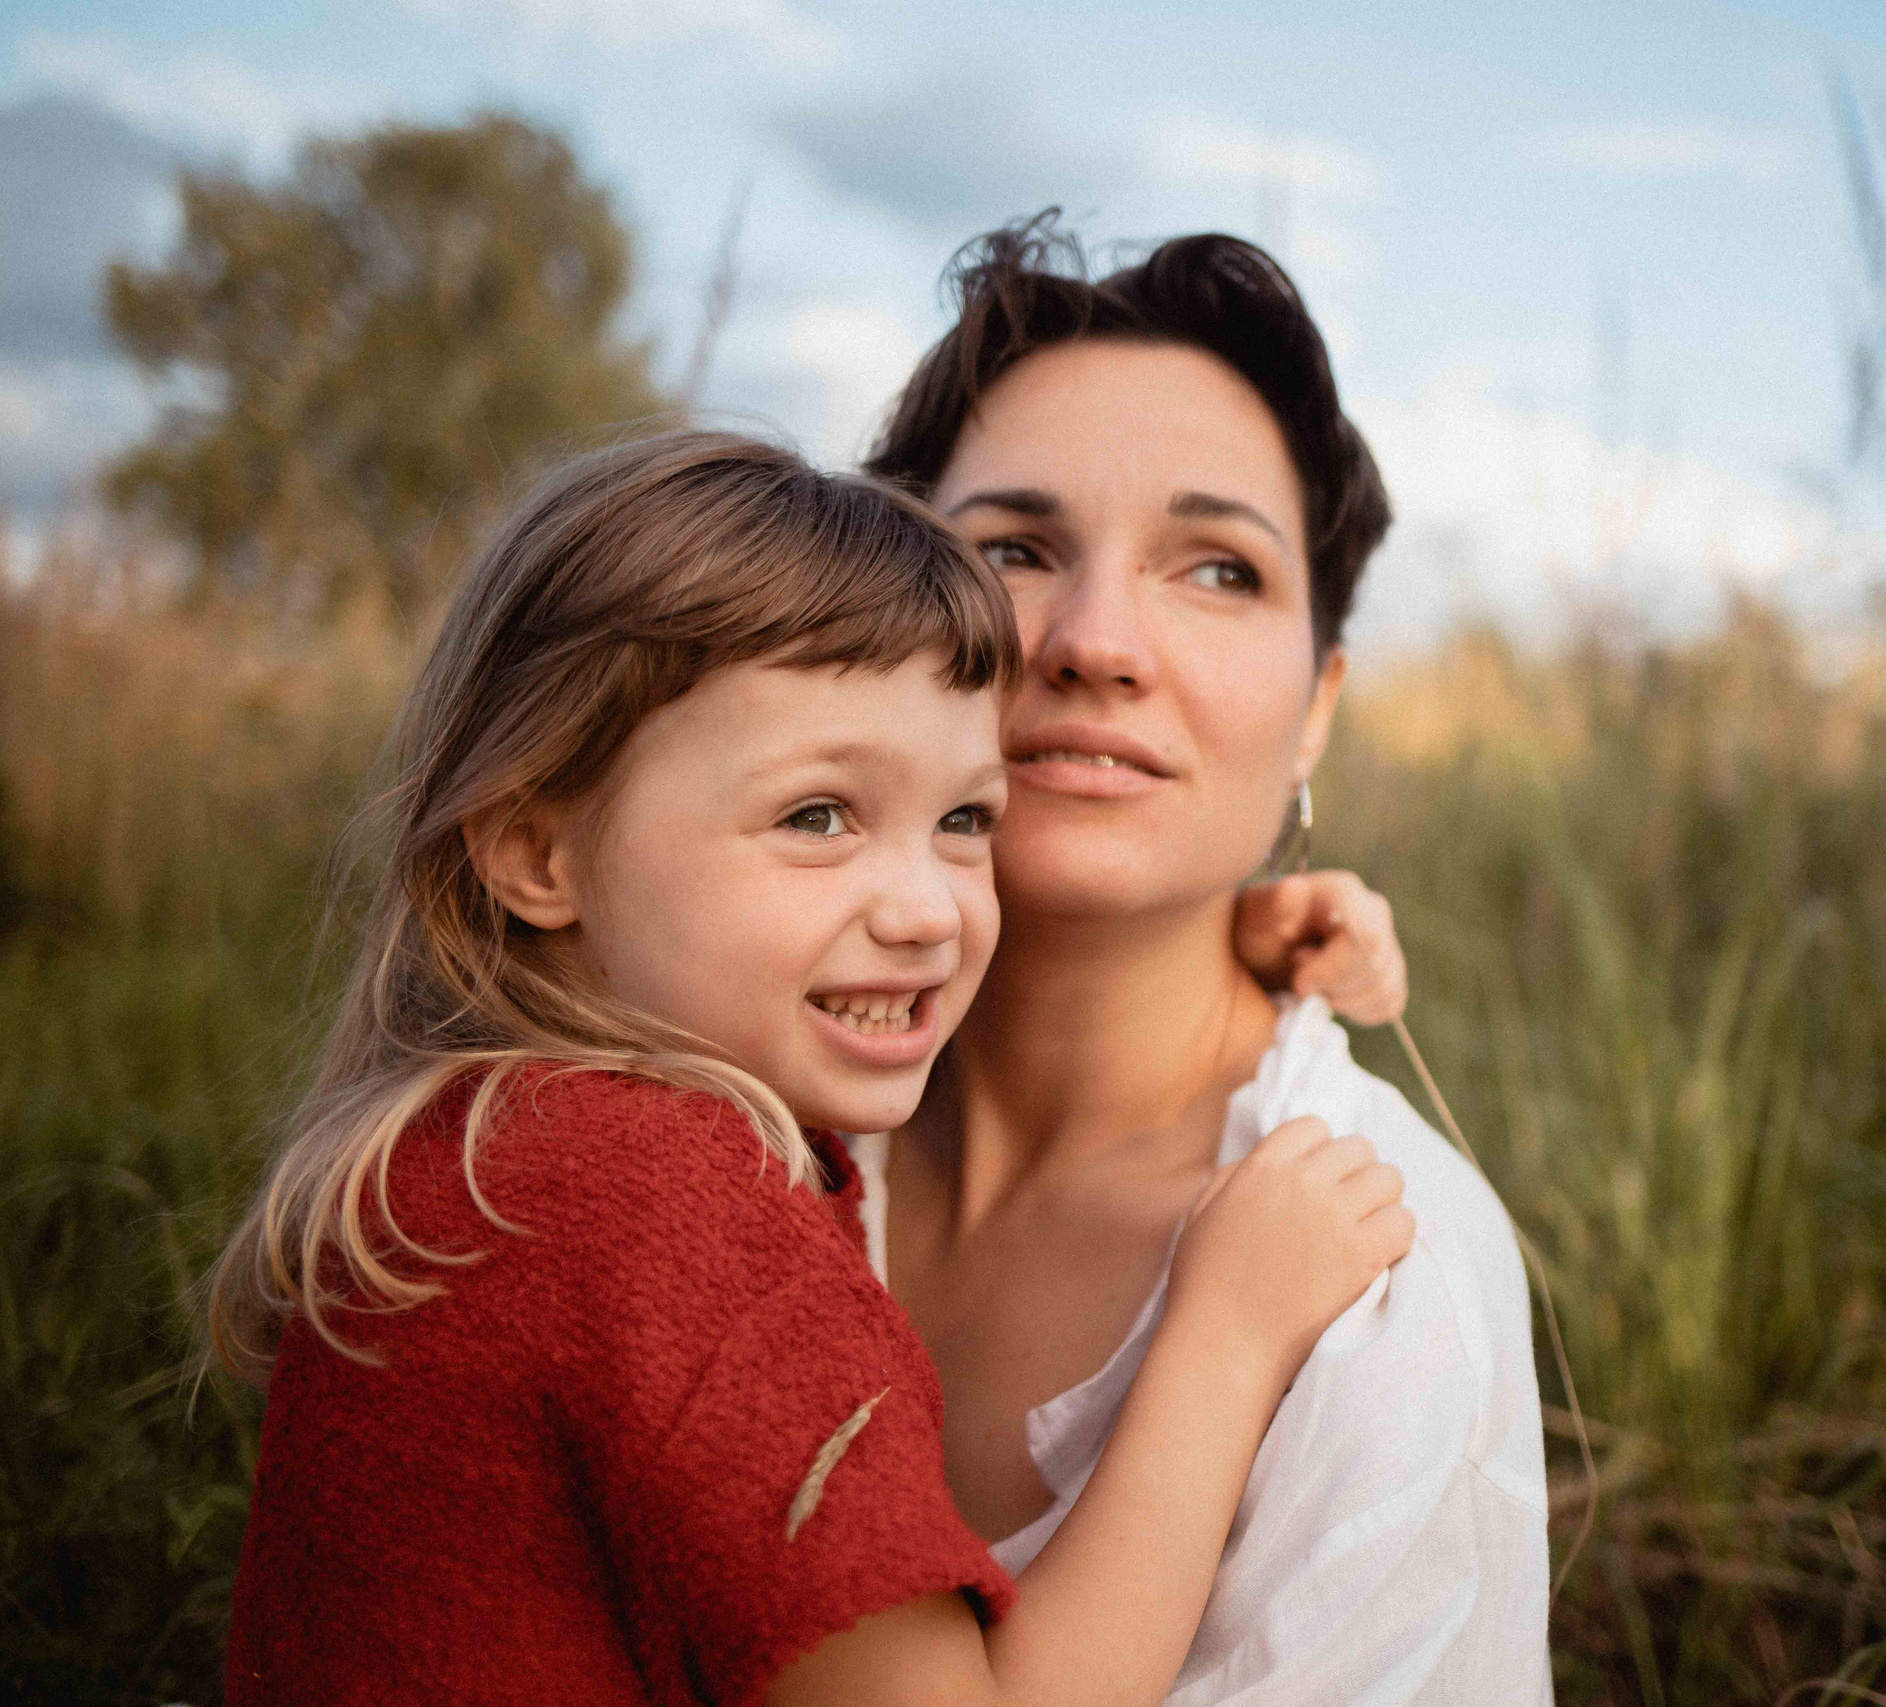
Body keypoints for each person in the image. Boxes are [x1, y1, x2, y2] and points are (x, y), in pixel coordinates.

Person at [205, 432, 1417, 1706]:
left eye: (964, 822)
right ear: (537, 853)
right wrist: (1222, 1335)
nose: (928, 913)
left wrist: (1224, 931)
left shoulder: (477, 1150)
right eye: (817, 817)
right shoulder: (680, 1217)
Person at [860, 218, 1552, 1704]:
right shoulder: (722, 1107)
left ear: (1317, 708)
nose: (1098, 641)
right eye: (1014, 550)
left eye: (1220, 570)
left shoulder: (1375, 1270)